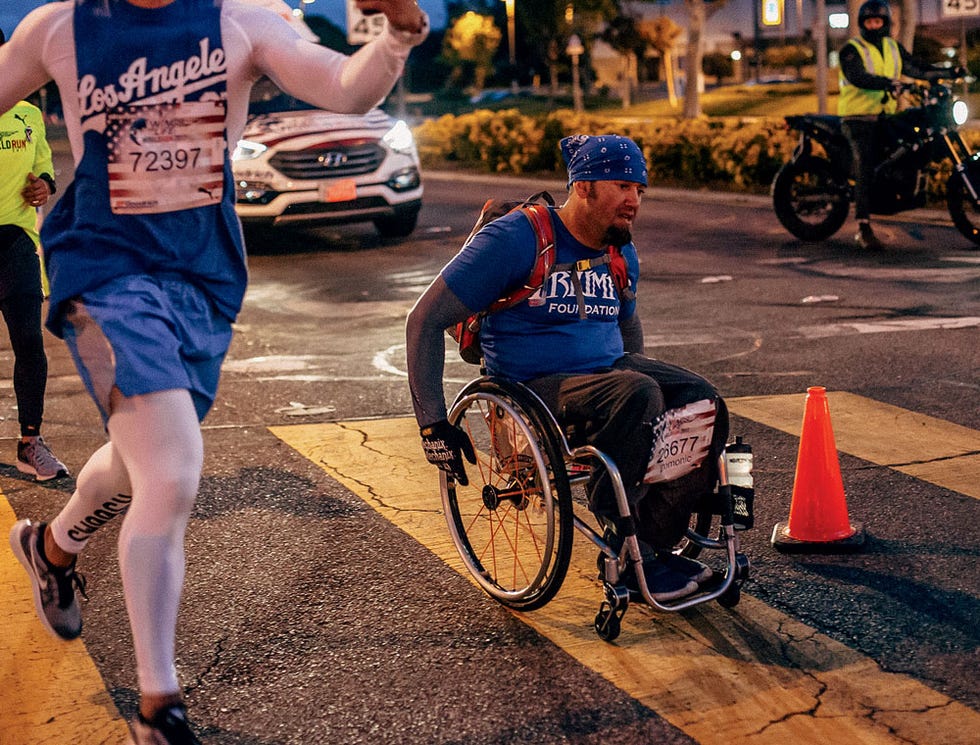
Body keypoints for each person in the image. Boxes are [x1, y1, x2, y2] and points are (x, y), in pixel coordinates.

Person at [1, 1, 428, 743]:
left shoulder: (243, 20)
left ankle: (53, 545)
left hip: (202, 278)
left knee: (144, 461)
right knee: (171, 470)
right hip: (104, 273)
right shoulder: (59, 28)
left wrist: (397, 34)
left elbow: (347, 88)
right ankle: (158, 711)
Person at [406, 134, 729, 603]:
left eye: (640, 190)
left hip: (609, 380)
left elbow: (627, 329)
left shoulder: (619, 250)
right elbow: (424, 320)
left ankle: (651, 546)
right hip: (533, 388)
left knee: (703, 399)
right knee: (636, 393)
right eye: (621, 186)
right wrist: (433, 425)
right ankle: (623, 543)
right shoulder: (517, 238)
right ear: (583, 186)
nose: (634, 200)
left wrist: (643, 382)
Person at [0, 27, 70, 482]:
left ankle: (31, 441)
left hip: (16, 244)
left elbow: (44, 169)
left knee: (29, 343)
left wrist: (45, 184)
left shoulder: (27, 115)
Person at [838, 0, 963, 249]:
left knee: (912, 140)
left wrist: (948, 73)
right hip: (858, 118)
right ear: (862, 24)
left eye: (878, 22)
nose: (874, 26)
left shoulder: (892, 47)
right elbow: (858, 76)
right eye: (869, 22)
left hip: (885, 115)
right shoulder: (852, 49)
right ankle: (863, 226)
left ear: (886, 24)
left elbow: (915, 68)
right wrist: (888, 83)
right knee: (866, 164)